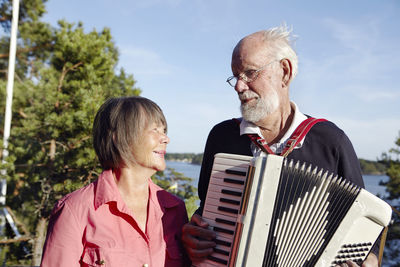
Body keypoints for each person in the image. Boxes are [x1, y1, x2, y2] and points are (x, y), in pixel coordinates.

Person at [182, 26, 379, 267]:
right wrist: (193, 235)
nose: (239, 87)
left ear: (284, 72)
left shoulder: (330, 141)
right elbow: (205, 212)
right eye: (236, 76)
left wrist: (369, 262)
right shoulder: (222, 136)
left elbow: (365, 227)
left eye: (250, 73)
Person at [41, 96, 190, 267]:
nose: (165, 138)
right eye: (155, 130)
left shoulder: (176, 209)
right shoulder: (74, 211)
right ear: (118, 137)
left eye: (164, 130)